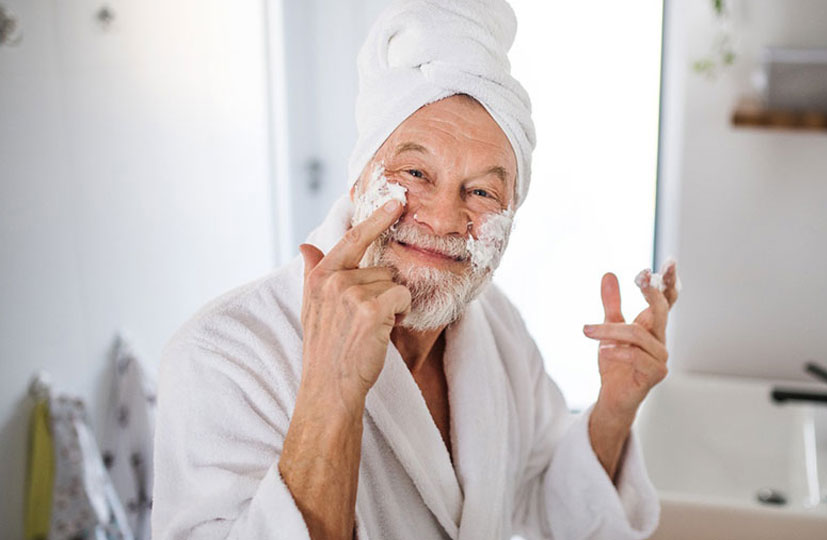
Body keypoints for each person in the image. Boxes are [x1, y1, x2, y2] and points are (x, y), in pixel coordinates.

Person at [152, 1, 679, 539]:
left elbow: (544, 504)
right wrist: (330, 391)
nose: (445, 218)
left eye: (480, 192)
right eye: (416, 173)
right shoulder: (222, 356)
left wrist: (613, 408)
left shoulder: (496, 325)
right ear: (359, 182)